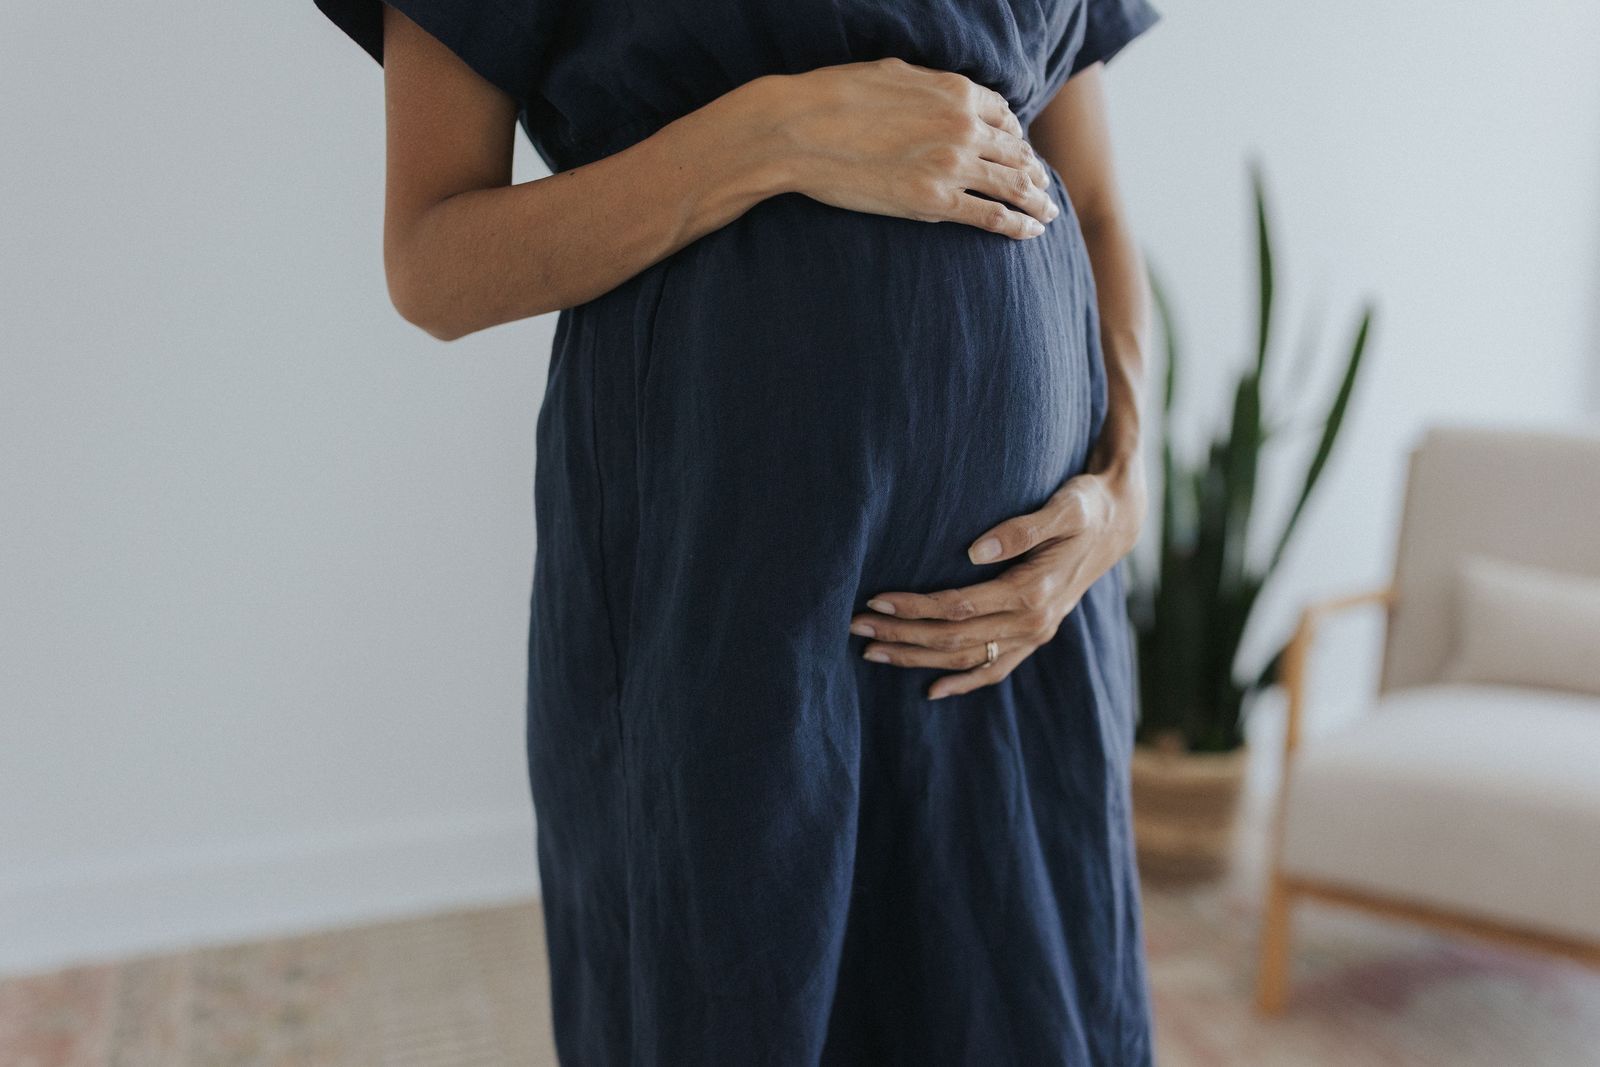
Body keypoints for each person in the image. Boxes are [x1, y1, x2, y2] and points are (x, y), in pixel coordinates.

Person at [313, 0, 1162, 1062]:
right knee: (733, 999)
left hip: (1027, 619)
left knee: (1025, 1005)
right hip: (722, 585)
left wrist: (1123, 490)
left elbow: (1091, 198)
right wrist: (763, 137)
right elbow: (432, 260)